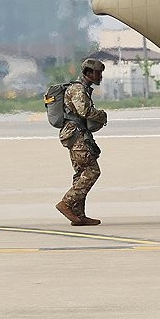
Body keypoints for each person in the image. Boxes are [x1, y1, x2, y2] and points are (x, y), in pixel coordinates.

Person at [56, 58, 108, 226]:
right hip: (76, 135)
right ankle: (67, 203)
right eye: (97, 73)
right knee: (92, 171)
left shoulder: (83, 89)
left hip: (76, 134)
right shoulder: (78, 89)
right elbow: (84, 111)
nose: (100, 76)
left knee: (80, 173)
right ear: (88, 73)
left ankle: (78, 215)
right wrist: (101, 115)